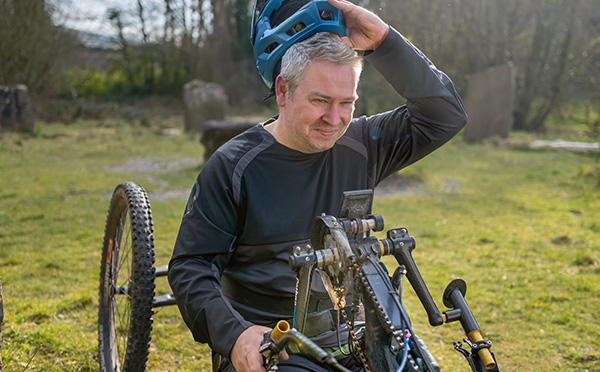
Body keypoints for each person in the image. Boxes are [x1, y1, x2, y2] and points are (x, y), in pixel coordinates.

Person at [168, 0, 467, 371]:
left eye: (347, 103)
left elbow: (445, 116)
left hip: (359, 338)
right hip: (275, 346)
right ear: (282, 91)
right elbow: (191, 267)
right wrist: (235, 335)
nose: (334, 118)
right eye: (320, 100)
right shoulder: (233, 167)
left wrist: (384, 42)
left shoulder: (363, 145)